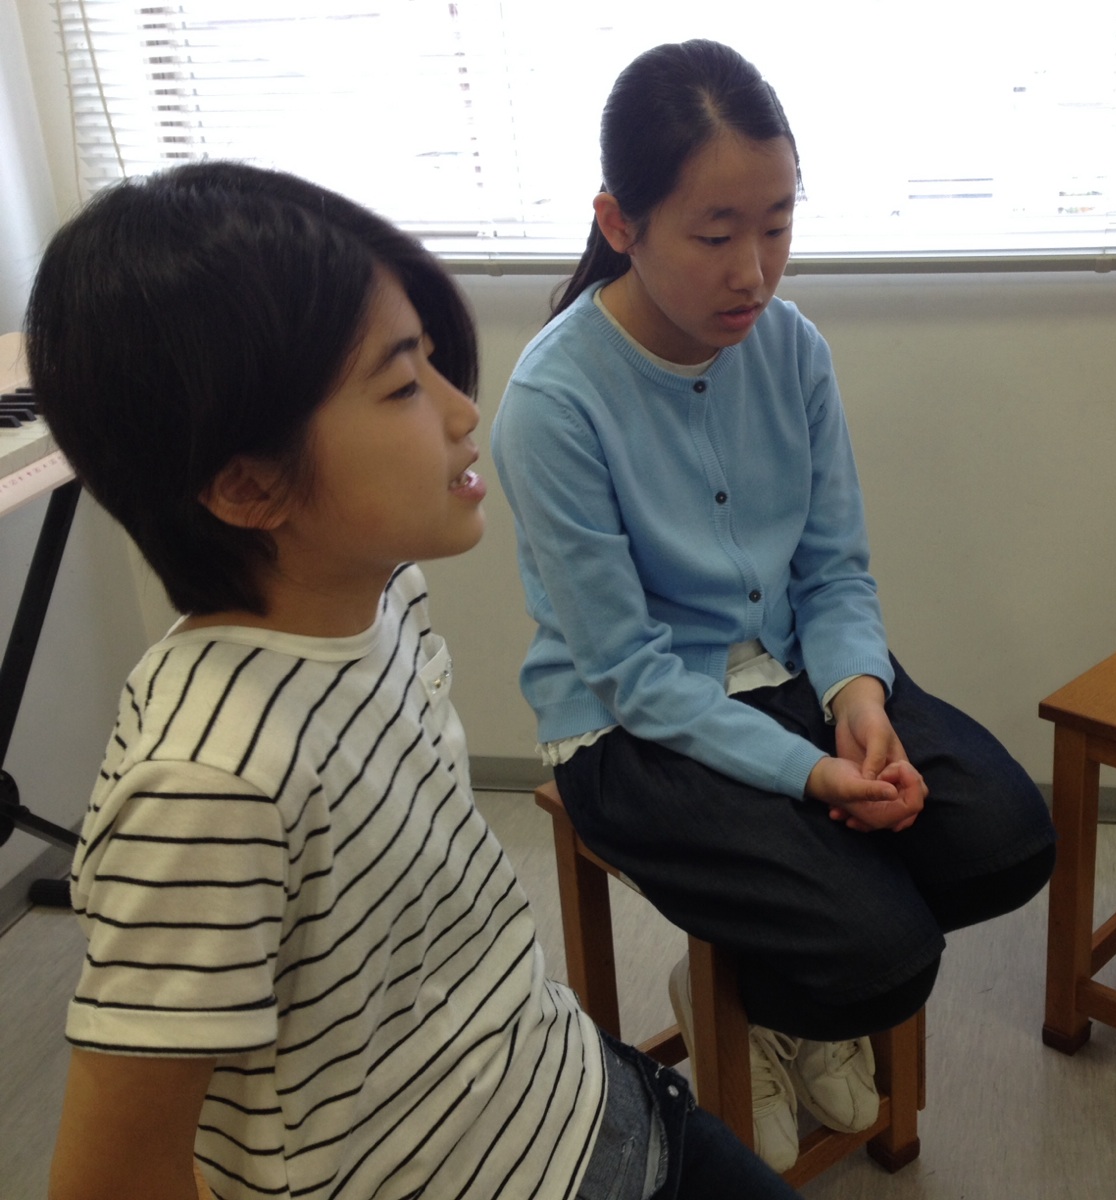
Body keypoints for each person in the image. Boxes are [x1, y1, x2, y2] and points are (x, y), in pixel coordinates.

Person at [27, 161, 799, 1200]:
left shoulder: (386, 597)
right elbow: (110, 1179)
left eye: (434, 360)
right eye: (401, 386)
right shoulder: (205, 790)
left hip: (585, 1098)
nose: (461, 409)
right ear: (248, 485)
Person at [491, 39, 1057, 1172]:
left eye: (779, 226)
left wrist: (858, 697)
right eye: (715, 236)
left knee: (1008, 841)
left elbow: (835, 571)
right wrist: (811, 774)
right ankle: (752, 1013)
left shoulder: (792, 348)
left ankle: (785, 1004)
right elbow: (631, 673)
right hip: (630, 725)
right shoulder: (553, 404)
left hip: (794, 667)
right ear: (618, 221)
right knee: (885, 952)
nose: (754, 272)